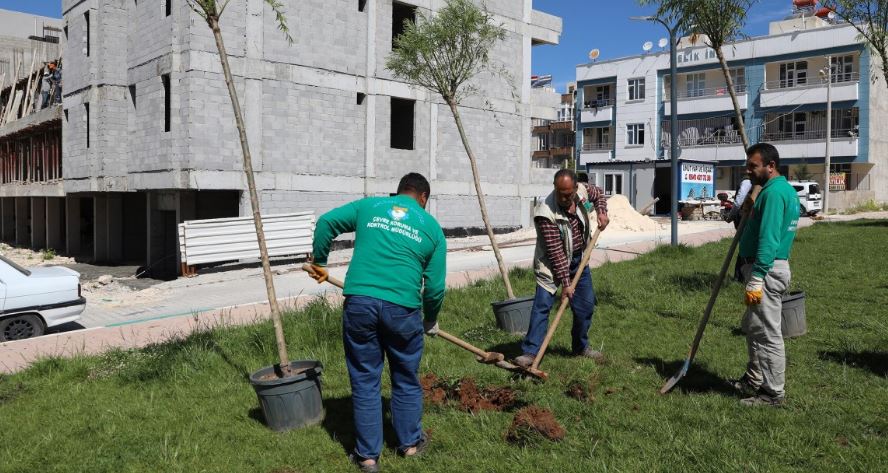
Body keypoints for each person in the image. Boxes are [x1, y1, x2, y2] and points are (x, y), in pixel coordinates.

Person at [307, 173, 446, 472]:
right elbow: (434, 287)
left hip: (360, 303)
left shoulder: (370, 206)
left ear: (396, 194)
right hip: (403, 309)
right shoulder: (432, 228)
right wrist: (430, 318)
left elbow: (326, 223)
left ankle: (368, 457)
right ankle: (409, 445)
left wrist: (319, 262)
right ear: (424, 198)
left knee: (365, 378)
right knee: (406, 376)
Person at [514, 169, 609, 368]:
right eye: (559, 193)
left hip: (578, 261)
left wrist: (601, 211)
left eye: (567, 194)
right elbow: (556, 253)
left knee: (586, 306)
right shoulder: (545, 212)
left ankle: (580, 347)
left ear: (575, 188)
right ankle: (530, 353)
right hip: (551, 265)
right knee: (542, 306)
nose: (563, 198)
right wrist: (566, 285)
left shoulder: (582, 191)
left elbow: (599, 193)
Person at [730, 143, 799, 407]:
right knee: (754, 328)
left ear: (770, 166)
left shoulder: (773, 195)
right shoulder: (780, 190)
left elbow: (769, 239)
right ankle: (754, 378)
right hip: (765, 268)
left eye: (753, 166)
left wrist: (757, 276)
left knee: (768, 334)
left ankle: (772, 394)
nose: (748, 171)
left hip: (766, 271)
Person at [731, 177, 753, 282]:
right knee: (745, 246)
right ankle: (740, 276)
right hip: (748, 217)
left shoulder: (746, 182)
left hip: (744, 217)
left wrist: (731, 214)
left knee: (744, 246)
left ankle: (739, 276)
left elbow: (739, 199)